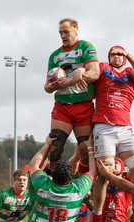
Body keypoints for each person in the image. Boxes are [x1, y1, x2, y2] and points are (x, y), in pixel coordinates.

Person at [91, 45, 134, 222]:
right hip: (104, 127)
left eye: (120, 55)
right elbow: (91, 71)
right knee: (105, 174)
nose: (118, 57)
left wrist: (128, 54)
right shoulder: (103, 68)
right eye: (114, 54)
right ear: (109, 57)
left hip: (125, 128)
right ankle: (97, 219)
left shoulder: (131, 74)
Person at [28, 135, 96, 222]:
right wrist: (90, 148)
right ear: (70, 177)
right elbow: (93, 171)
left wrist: (47, 145)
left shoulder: (43, 185)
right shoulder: (77, 190)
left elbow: (33, 165)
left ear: (52, 175)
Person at [44, 18, 99, 174]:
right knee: (55, 145)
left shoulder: (85, 47)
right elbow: (46, 86)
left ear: (75, 31)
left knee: (85, 151)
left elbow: (95, 73)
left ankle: (83, 188)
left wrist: (69, 81)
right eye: (60, 32)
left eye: (66, 32)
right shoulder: (55, 56)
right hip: (62, 106)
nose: (63, 35)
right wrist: (50, 87)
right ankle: (57, 182)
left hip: (83, 105)